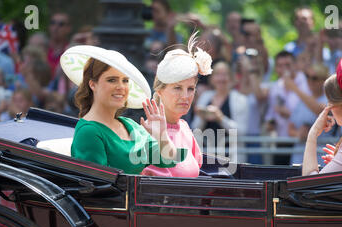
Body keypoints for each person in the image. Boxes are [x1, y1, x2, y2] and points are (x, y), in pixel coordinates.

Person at [60, 45, 186, 174]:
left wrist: (161, 135)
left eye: (125, 80)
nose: (121, 87)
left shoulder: (129, 125)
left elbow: (169, 159)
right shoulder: (89, 131)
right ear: (92, 84)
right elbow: (98, 186)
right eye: (112, 80)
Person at [141, 32, 212, 177]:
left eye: (190, 89)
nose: (185, 96)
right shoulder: (149, 130)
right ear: (160, 91)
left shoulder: (184, 127)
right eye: (177, 88)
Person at [191, 61, 249, 163]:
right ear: (212, 78)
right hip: (206, 157)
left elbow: (242, 132)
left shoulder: (240, 99)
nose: (221, 79)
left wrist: (220, 118)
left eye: (224, 74)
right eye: (217, 74)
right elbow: (195, 129)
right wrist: (201, 116)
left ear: (231, 78)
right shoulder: (205, 97)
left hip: (231, 159)